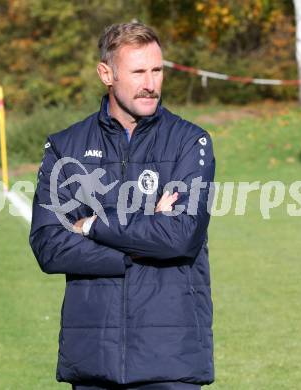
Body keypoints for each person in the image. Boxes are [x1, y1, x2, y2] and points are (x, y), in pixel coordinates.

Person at [29, 22, 216, 390]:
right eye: (138, 72)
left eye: (157, 70)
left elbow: (179, 237)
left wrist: (93, 226)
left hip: (169, 360)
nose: (151, 83)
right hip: (92, 358)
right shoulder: (66, 147)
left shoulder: (189, 142)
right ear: (107, 74)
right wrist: (140, 241)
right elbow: (49, 245)